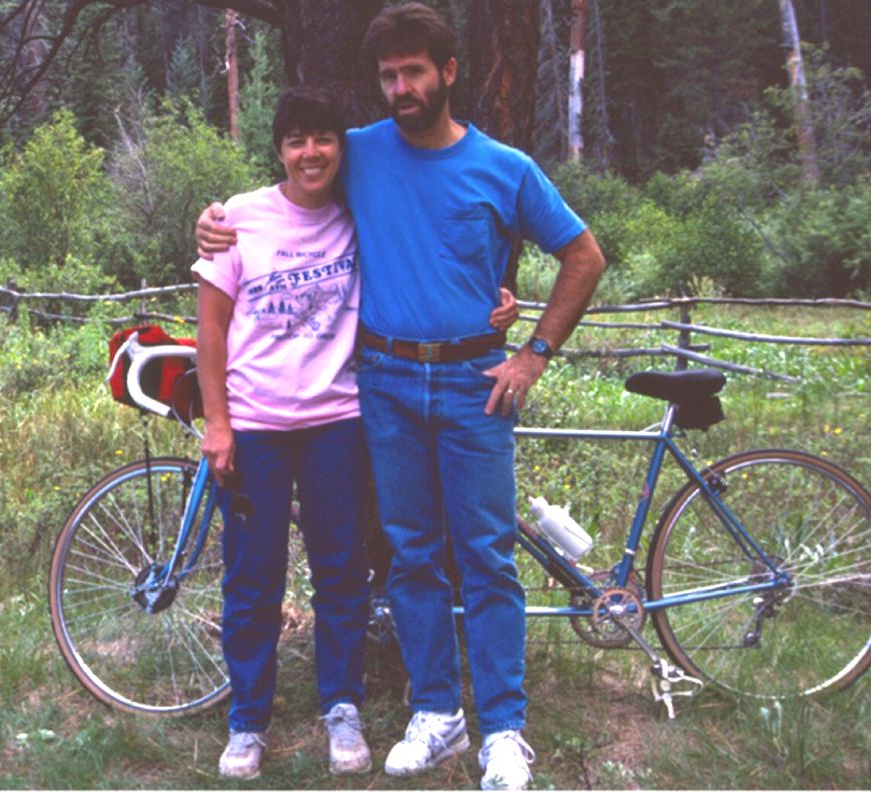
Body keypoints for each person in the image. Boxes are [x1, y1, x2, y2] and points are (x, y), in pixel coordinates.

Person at [197, 7, 604, 789]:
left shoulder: (505, 166)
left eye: (415, 71)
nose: (401, 87)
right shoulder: (361, 153)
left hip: (473, 384)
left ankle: (505, 732)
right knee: (414, 557)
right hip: (380, 383)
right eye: (388, 75)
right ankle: (437, 713)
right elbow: (291, 185)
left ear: (448, 72)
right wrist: (212, 220)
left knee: (486, 557)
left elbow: (583, 256)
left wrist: (534, 352)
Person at [193, 83, 517, 782]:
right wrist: (217, 423)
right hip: (256, 426)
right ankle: (247, 721)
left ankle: (340, 706)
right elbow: (210, 327)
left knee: (341, 576)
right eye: (294, 141)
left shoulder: (357, 211)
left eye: (322, 139)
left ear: (341, 147)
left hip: (338, 422)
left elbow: (426, 255)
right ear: (278, 150)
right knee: (253, 578)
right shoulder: (239, 218)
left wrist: (493, 295)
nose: (310, 153)